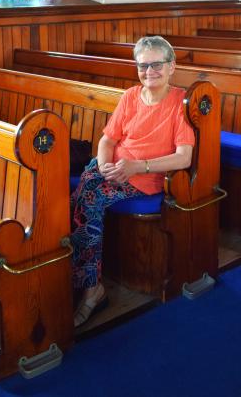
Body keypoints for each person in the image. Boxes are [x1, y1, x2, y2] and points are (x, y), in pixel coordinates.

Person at [71, 35, 195, 327]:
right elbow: (107, 139)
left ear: (172, 66)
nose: (149, 71)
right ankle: (78, 278)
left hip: (145, 178)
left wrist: (137, 166)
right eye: (142, 66)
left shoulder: (181, 102)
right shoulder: (130, 96)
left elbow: (184, 158)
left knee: (88, 199)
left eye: (156, 65)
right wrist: (103, 166)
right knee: (74, 194)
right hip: (113, 168)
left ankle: (91, 291)